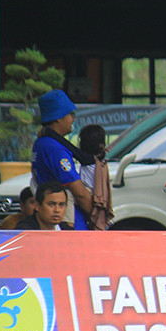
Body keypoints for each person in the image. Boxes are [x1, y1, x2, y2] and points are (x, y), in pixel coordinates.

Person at [31, 89, 95, 230]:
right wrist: (98, 217)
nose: (73, 119)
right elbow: (79, 193)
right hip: (69, 224)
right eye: (71, 114)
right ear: (59, 117)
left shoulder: (41, 143)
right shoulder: (55, 148)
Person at [77, 123, 113, 230]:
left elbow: (69, 148)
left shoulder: (88, 159)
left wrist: (50, 133)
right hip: (98, 195)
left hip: (90, 194)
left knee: (68, 193)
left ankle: (68, 223)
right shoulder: (100, 157)